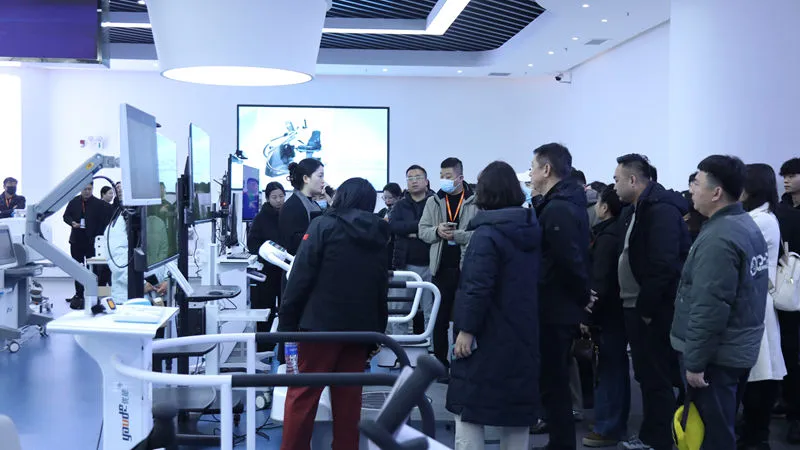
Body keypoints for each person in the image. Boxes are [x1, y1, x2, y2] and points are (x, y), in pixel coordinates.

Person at [277, 177, 389, 450]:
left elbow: (300, 277)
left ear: (342, 197)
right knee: (349, 400)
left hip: (319, 328)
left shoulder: (323, 225)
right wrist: (378, 331)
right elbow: (380, 284)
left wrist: (286, 324)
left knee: (303, 397)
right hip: (360, 329)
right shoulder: (380, 232)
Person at [671, 155, 768, 450]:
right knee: (721, 427)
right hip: (735, 348)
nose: (691, 189)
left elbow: (710, 306)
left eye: (697, 183)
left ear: (716, 193)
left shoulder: (719, 237)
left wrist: (695, 363)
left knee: (711, 436)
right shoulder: (744, 224)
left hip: (716, 357)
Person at [446, 161, 541, 450]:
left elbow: (477, 287)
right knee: (516, 413)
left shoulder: (486, 235)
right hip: (522, 331)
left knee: (469, 409)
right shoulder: (532, 229)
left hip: (487, 333)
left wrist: (466, 330)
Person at [613, 154, 689, 450]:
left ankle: (659, 439)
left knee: (656, 376)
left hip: (653, 309)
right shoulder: (636, 209)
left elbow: (663, 265)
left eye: (617, 179)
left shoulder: (660, 211)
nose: (614, 186)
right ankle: (652, 435)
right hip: (637, 306)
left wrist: (646, 308)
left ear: (633, 180)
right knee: (647, 374)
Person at [529, 143, 591, 450]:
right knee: (554, 381)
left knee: (555, 381)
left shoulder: (558, 209)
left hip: (556, 307)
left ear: (546, 169)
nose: (530, 174)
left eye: (532, 168)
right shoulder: (563, 203)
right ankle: (559, 441)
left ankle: (562, 443)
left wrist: (582, 295)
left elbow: (568, 259)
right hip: (558, 304)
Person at [738, 163, 787, 450]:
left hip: (758, 303)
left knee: (761, 374)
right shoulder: (757, 217)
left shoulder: (761, 221)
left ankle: (757, 437)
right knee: (757, 372)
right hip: (753, 302)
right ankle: (753, 433)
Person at [419, 157, 478, 374]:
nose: (444, 180)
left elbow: (480, 234)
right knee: (439, 319)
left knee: (462, 319)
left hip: (466, 269)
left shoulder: (475, 201)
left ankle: (460, 365)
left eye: (448, 176)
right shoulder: (434, 201)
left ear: (460, 178)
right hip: (440, 268)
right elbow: (422, 231)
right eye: (441, 176)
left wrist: (458, 235)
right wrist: (437, 231)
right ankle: (440, 364)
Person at [582, 185, 630, 448]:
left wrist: (588, 317)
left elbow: (600, 283)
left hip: (608, 315)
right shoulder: (614, 232)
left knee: (609, 370)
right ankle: (610, 421)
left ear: (604, 208)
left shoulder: (607, 238)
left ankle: (608, 427)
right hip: (615, 313)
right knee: (612, 369)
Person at [388, 165, 434, 335]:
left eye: (418, 177)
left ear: (426, 181)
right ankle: (398, 346)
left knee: (431, 312)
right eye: (410, 178)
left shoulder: (435, 203)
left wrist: (413, 231)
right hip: (404, 264)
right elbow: (394, 226)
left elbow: (437, 227)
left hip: (431, 264)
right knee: (399, 311)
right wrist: (423, 228)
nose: (414, 181)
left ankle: (431, 347)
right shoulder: (400, 205)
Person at [774, 157, 800, 444]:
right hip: (784, 286)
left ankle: (796, 414)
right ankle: (788, 402)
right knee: (786, 350)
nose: (787, 180)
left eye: (792, 175)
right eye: (785, 175)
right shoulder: (781, 209)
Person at [247, 182, 285, 344]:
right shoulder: (261, 218)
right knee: (265, 309)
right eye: (274, 197)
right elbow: (252, 244)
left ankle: (281, 346)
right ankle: (264, 346)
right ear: (268, 198)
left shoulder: (289, 215)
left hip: (284, 269)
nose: (278, 200)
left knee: (285, 309)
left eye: (281, 196)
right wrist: (267, 255)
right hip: (267, 271)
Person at [62, 182, 111, 308]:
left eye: (89, 189)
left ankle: (96, 295)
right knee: (77, 268)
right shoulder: (74, 201)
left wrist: (98, 235)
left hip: (92, 242)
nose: (87, 191)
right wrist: (72, 223)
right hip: (76, 241)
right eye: (85, 189)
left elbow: (104, 221)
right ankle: (79, 295)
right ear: (80, 189)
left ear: (92, 189)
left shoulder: (99, 204)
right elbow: (66, 216)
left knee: (96, 270)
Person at [278, 159, 327, 255]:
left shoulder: (313, 204)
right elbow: (293, 246)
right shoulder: (292, 207)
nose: (323, 181)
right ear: (306, 178)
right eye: (320, 176)